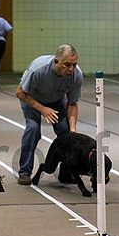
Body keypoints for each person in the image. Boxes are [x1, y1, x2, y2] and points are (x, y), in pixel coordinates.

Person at [16, 44, 83, 185]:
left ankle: (65, 173)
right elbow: (20, 92)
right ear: (56, 61)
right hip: (31, 98)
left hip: (57, 101)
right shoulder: (38, 70)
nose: (71, 69)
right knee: (33, 129)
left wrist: (73, 129)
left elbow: (72, 104)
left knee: (65, 132)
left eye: (74, 65)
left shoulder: (76, 75)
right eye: (67, 65)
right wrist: (42, 109)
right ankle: (24, 172)